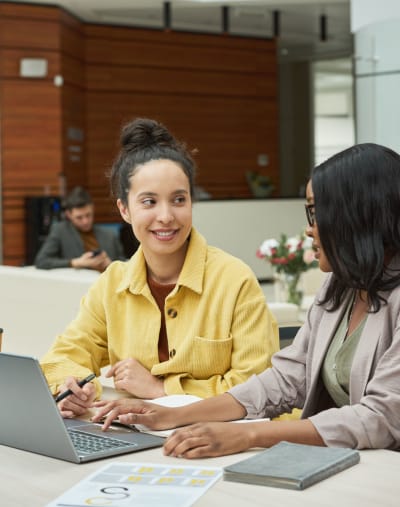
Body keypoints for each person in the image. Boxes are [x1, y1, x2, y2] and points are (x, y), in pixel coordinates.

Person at [92, 142, 400, 456]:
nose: (309, 229)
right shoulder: (341, 285)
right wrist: (173, 414)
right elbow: (287, 379)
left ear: (357, 216)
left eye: (316, 213)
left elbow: (380, 418)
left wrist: (249, 435)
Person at [40, 118, 279, 418]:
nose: (166, 216)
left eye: (179, 199)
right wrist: (73, 387)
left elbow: (258, 388)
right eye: (149, 202)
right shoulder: (112, 283)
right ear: (124, 210)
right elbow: (61, 357)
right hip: (134, 439)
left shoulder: (234, 280)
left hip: (221, 441)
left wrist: (161, 390)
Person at [34, 186, 125, 272]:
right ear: (69, 215)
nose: (85, 221)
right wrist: (76, 263)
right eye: (79, 217)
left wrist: (110, 265)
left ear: (92, 209)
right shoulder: (60, 231)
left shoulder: (110, 235)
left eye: (88, 215)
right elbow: (41, 261)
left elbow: (125, 266)